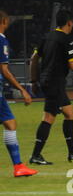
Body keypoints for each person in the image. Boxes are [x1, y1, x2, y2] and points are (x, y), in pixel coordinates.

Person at [29, 11, 73, 165]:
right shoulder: (66, 39)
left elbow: (34, 59)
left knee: (70, 113)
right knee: (49, 117)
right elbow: (72, 65)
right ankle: (36, 155)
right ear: (69, 23)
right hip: (54, 82)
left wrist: (34, 81)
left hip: (48, 81)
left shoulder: (47, 37)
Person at [0, 11, 38, 177]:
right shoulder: (1, 40)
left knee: (9, 123)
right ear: (4, 21)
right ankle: (18, 166)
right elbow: (4, 69)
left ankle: (18, 166)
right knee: (10, 123)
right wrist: (22, 89)